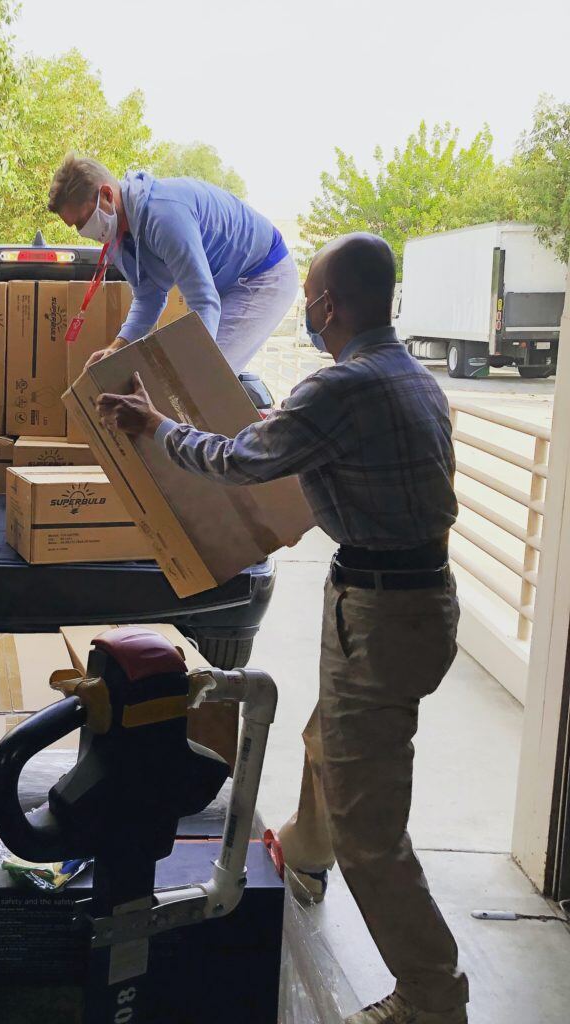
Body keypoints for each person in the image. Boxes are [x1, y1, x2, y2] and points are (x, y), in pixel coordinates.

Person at [94, 234, 468, 1024]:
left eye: (310, 294)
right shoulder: (408, 377)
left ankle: (433, 996)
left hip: (382, 611)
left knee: (374, 831)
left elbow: (236, 462)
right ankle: (306, 849)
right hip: (413, 601)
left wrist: (153, 425)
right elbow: (325, 445)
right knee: (327, 738)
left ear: (329, 306)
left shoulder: (340, 390)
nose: (305, 305)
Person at [48, 155, 298, 373]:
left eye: (82, 220)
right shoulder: (119, 239)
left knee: (208, 380)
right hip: (225, 282)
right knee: (195, 381)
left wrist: (190, 372)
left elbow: (204, 302)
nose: (82, 231)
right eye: (75, 226)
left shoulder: (164, 217)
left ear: (106, 195)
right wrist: (117, 348)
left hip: (262, 273)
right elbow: (149, 298)